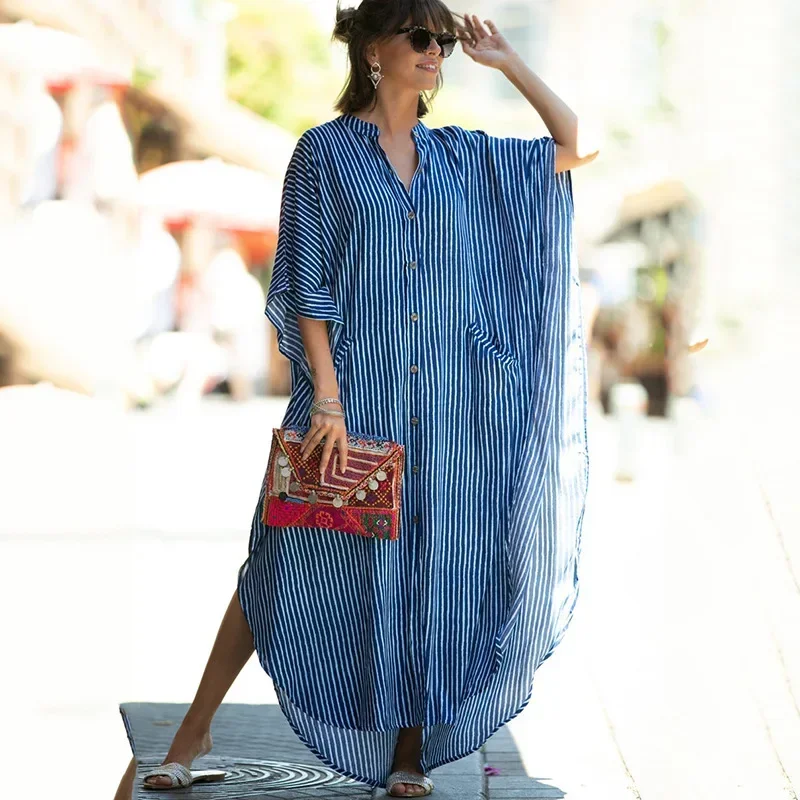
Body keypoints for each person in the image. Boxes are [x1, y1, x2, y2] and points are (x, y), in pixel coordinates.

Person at [122, 2, 598, 797]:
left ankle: (409, 754)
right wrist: (328, 399)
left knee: (432, 569)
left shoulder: (462, 157)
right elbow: (306, 281)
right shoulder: (324, 153)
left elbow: (576, 144)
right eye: (420, 36)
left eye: (443, 41)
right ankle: (193, 732)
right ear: (374, 47)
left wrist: (508, 62)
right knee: (280, 563)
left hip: (448, 414)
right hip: (350, 402)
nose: (435, 51)